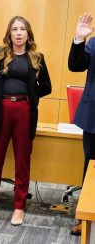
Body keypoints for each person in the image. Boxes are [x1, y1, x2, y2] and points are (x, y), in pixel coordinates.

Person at [0, 16, 51, 225]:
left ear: (28, 33)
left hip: (24, 111)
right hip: (0, 111)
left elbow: (47, 86)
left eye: (22, 29)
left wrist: (31, 95)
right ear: (9, 33)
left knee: (22, 162)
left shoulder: (37, 57)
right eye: (14, 29)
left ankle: (19, 208)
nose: (18, 33)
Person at [68, 13, 95, 236]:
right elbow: (75, 65)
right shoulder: (93, 43)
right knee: (92, 165)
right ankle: (84, 216)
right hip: (94, 117)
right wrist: (79, 39)